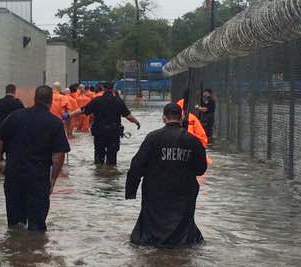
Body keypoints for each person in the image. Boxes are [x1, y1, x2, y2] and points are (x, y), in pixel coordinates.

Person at [125, 102, 207, 246]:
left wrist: (131, 191)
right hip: (184, 192)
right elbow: (201, 169)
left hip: (155, 190)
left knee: (152, 224)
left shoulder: (152, 138)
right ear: (181, 118)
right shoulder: (192, 140)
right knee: (183, 225)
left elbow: (137, 165)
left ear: (164, 118)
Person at [0, 85, 70, 232]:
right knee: (37, 226)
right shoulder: (54, 123)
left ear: (34, 99)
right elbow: (59, 155)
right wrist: (53, 179)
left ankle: (14, 251)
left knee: (15, 225)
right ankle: (35, 252)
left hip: (13, 175)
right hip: (38, 178)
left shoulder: (16, 116)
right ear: (51, 101)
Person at [69, 81, 140, 165]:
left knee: (99, 156)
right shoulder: (118, 101)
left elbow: (83, 110)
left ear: (103, 89)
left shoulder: (97, 100)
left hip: (99, 133)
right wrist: (137, 122)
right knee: (112, 157)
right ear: (113, 89)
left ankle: (99, 173)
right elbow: (129, 116)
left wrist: (70, 115)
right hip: (114, 133)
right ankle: (110, 175)